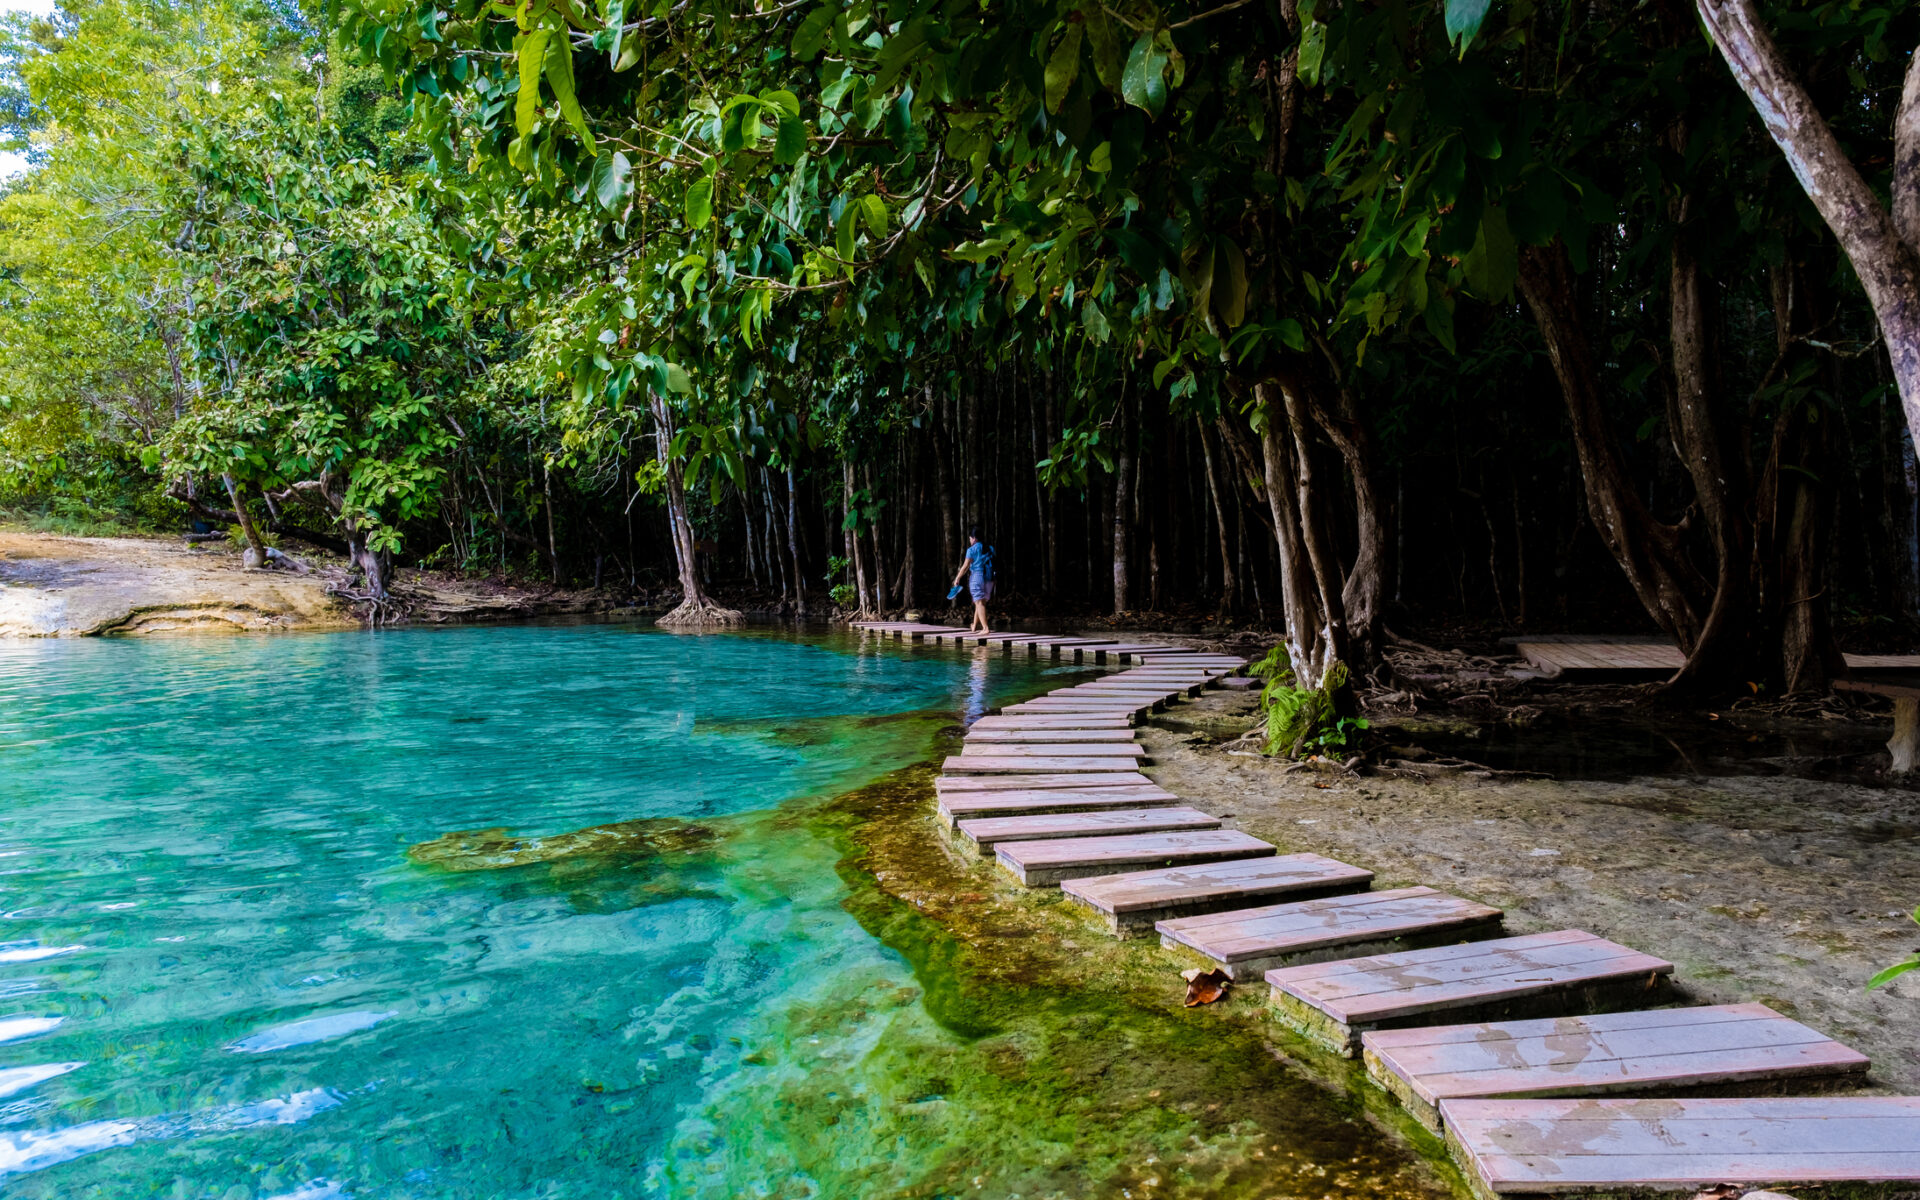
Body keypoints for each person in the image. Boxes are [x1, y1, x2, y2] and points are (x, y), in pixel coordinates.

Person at [951, 525, 995, 632]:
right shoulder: (990, 547)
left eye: (970, 538)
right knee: (980, 602)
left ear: (974, 538)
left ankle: (985, 628)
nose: (970, 540)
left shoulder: (972, 549)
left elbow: (965, 566)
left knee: (979, 602)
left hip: (977, 577)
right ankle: (974, 625)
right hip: (990, 577)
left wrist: (957, 578)